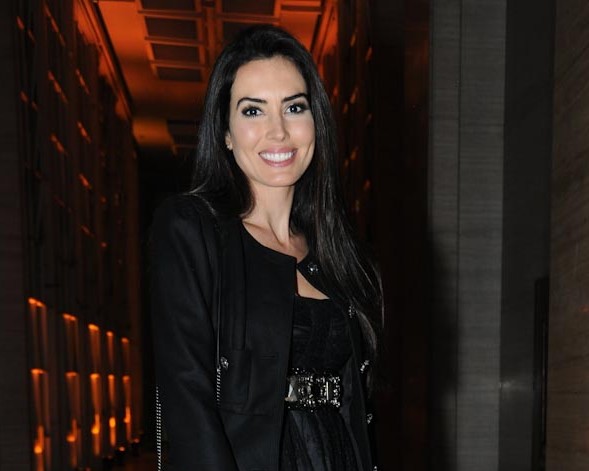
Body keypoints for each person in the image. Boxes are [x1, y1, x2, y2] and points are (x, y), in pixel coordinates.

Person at [150, 24, 383, 471]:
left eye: (294, 107)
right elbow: (187, 397)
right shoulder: (191, 231)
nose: (278, 132)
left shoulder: (340, 252)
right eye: (253, 111)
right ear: (226, 132)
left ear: (315, 121)